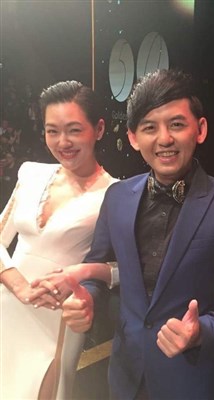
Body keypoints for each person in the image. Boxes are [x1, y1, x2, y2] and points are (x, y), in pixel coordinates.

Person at [62, 69, 214, 400]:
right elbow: (97, 268)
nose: (164, 138)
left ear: (200, 129)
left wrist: (201, 331)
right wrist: (87, 300)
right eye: (150, 127)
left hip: (193, 378)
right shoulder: (117, 197)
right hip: (126, 375)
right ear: (133, 137)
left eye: (177, 124)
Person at [0, 80, 118, 400]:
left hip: (59, 315)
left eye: (74, 130)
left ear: (99, 129)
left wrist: (83, 274)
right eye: (52, 131)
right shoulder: (31, 173)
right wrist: (19, 286)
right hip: (7, 304)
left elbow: (121, 267)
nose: (63, 142)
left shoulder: (114, 193)